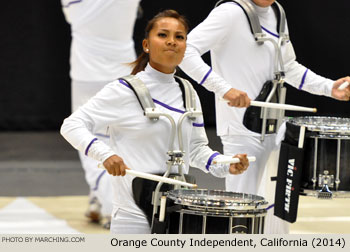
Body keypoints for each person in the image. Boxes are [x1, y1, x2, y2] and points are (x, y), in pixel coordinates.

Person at [60, 9, 250, 234]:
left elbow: (196, 150)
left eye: (179, 37)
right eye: (163, 35)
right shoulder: (123, 90)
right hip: (133, 217)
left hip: (178, 213)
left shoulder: (189, 92)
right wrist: (105, 154)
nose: (171, 41)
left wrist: (226, 163)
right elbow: (71, 125)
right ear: (146, 44)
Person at [179, 0, 350, 234]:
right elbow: (186, 51)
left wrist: (329, 88)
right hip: (241, 131)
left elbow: (288, 67)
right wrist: (223, 89)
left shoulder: (277, 12)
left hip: (274, 127)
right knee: (243, 212)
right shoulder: (229, 13)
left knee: (277, 208)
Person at [60, 0, 141, 227]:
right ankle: (98, 199)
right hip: (122, 71)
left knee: (90, 141)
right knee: (116, 141)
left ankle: (109, 207)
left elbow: (70, 17)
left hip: (87, 73)